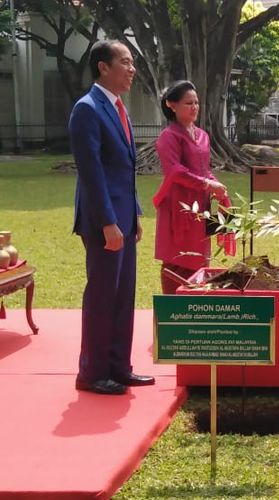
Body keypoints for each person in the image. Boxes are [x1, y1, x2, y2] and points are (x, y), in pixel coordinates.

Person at [68, 40, 154, 395]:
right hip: (103, 220)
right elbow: (92, 173)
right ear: (103, 67)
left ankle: (119, 367)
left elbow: (126, 170)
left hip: (124, 217)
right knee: (103, 294)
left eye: (132, 62)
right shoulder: (87, 109)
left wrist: (133, 214)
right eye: (125, 62)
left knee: (123, 294)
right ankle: (92, 373)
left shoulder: (119, 107)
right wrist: (108, 222)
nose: (132, 69)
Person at [153, 80, 229, 294]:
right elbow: (174, 171)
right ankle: (173, 309)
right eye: (188, 103)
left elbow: (204, 169)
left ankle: (196, 304)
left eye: (196, 102)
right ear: (171, 105)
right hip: (177, 206)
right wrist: (207, 183)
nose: (194, 107)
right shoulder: (169, 136)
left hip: (200, 205)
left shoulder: (202, 135)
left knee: (199, 257)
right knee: (177, 259)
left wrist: (216, 185)